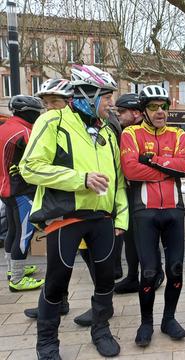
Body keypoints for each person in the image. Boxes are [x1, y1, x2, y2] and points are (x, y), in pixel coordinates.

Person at [20, 64, 128, 359]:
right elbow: (30, 168)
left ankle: (101, 329)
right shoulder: (53, 120)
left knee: (106, 278)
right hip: (65, 216)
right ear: (86, 94)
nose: (110, 102)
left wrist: (121, 217)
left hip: (102, 218)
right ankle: (47, 344)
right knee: (57, 281)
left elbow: (118, 180)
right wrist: (80, 180)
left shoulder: (108, 130)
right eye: (106, 96)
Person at [120, 85, 185, 345]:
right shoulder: (131, 133)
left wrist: (150, 160)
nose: (160, 111)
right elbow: (130, 170)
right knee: (148, 272)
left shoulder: (178, 134)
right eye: (153, 107)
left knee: (176, 269)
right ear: (143, 110)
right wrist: (167, 168)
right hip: (145, 212)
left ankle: (169, 319)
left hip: (174, 210)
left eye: (163, 106)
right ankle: (146, 323)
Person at [23, 79, 75, 319]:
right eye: (46, 103)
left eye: (55, 102)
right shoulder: (48, 125)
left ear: (70, 102)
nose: (49, 108)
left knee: (94, 263)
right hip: (59, 207)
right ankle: (54, 305)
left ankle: (102, 307)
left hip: (84, 206)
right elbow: (32, 167)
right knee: (58, 266)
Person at [114, 93, 165, 295]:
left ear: (136, 112)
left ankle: (156, 273)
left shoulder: (148, 133)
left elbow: (144, 166)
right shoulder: (126, 131)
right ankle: (133, 276)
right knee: (131, 238)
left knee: (147, 237)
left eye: (122, 112)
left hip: (145, 194)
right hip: (127, 191)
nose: (119, 115)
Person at [0, 96, 45, 292]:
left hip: (5, 189)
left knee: (12, 230)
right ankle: (17, 280)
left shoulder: (5, 127)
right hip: (21, 190)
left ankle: (12, 270)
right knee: (24, 234)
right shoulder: (24, 132)